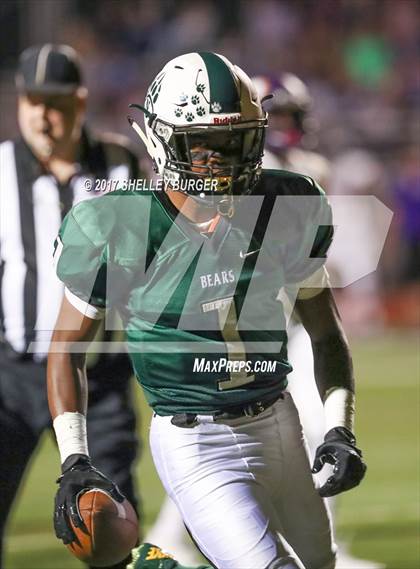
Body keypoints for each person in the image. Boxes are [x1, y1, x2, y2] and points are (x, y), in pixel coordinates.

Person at [47, 52, 367, 569]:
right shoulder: (118, 224)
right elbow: (67, 348)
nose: (222, 159)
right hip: (197, 441)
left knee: (320, 564)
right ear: (160, 140)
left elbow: (326, 334)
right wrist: (74, 458)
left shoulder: (285, 205)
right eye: (202, 145)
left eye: (235, 141)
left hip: (280, 420)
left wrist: (338, 427)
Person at [0, 44, 140, 569]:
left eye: (55, 103)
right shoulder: (1, 169)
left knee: (111, 534)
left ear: (80, 103)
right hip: (11, 377)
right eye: (32, 101)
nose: (42, 116)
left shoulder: (120, 165)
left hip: (96, 378)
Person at [253, 75, 384, 569]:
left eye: (292, 114)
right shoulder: (249, 174)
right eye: (278, 116)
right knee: (226, 436)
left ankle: (323, 549)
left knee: (317, 425)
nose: (286, 124)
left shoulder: (309, 169)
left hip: (295, 321)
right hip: (250, 325)